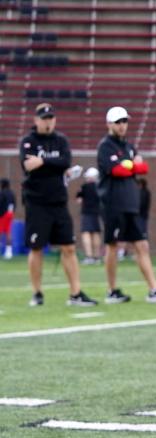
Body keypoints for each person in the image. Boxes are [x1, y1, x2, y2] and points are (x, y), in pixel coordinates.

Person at [18, 103, 97, 306]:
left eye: (51, 118)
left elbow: (65, 162)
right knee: (36, 248)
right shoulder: (28, 141)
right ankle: (37, 293)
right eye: (44, 118)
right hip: (37, 202)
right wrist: (55, 166)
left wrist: (43, 163)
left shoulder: (61, 140)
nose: (48, 122)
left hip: (58, 202)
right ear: (36, 120)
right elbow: (27, 165)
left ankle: (76, 293)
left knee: (69, 247)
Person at [97, 105, 156, 304]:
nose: (122, 125)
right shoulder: (105, 146)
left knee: (142, 245)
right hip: (113, 203)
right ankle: (112, 290)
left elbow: (143, 168)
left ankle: (154, 289)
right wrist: (132, 165)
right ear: (109, 124)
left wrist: (130, 165)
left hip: (131, 203)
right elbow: (116, 170)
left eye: (124, 121)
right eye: (118, 122)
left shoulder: (129, 147)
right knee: (113, 246)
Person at [76, 167, 102, 264]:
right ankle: (97, 257)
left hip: (86, 212)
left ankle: (89, 256)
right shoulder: (100, 187)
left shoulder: (84, 187)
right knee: (96, 233)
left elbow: (79, 200)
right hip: (96, 213)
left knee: (86, 233)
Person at [0, 178, 15, 259]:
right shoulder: (12, 193)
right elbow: (13, 204)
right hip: (10, 214)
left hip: (3, 215)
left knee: (1, 232)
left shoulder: (2, 193)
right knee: (8, 233)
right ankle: (9, 252)